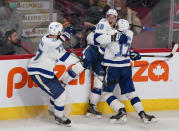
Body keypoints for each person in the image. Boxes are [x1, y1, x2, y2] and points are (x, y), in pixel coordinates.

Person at [27, 22, 84, 126]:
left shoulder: (47, 38)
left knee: (60, 92)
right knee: (61, 95)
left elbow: (60, 49)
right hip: (38, 73)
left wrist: (78, 60)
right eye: (60, 32)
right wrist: (80, 61)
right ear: (58, 32)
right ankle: (59, 117)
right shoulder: (51, 44)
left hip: (46, 73)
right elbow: (60, 51)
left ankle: (52, 110)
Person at [101, 19, 157, 123]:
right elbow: (123, 48)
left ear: (117, 26)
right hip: (126, 67)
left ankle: (121, 111)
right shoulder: (130, 34)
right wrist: (132, 53)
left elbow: (100, 40)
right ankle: (143, 114)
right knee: (131, 93)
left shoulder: (111, 32)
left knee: (106, 93)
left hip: (114, 68)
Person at [82, 9, 118, 118]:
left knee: (98, 83)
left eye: (113, 17)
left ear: (116, 19)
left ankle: (92, 107)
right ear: (106, 17)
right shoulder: (102, 24)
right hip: (93, 50)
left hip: (102, 56)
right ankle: (63, 83)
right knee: (79, 67)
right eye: (109, 16)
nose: (111, 18)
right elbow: (93, 39)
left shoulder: (116, 29)